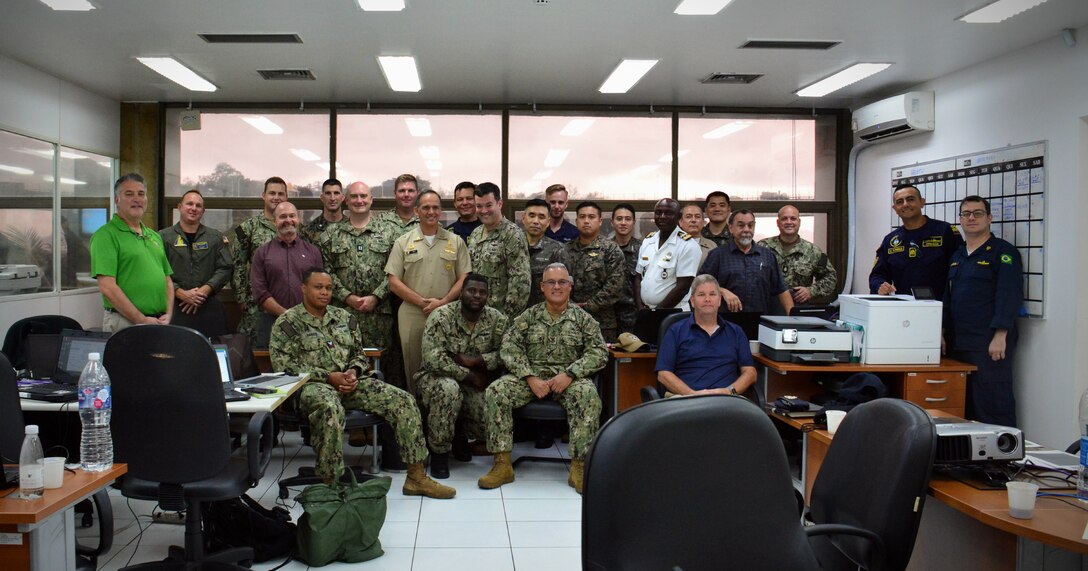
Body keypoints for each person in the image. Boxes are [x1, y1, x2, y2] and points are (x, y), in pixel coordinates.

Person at [270, 268, 455, 499]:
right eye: (318, 287)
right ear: (303, 288)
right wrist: (329, 377)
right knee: (329, 407)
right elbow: (285, 367)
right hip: (312, 387)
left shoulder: (345, 318)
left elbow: (359, 354)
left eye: (328, 288)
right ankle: (331, 484)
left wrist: (354, 371)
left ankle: (416, 477)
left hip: (350, 383)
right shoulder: (287, 323)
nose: (325, 292)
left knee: (403, 400)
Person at [477, 263, 606, 494]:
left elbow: (598, 352)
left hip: (568, 380)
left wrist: (570, 374)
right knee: (496, 391)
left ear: (570, 286)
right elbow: (509, 347)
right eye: (551, 282)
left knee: (588, 394)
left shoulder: (583, 319)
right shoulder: (529, 316)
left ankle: (579, 467)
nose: (557, 287)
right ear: (542, 287)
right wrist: (528, 377)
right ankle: (502, 464)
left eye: (562, 282)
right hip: (532, 377)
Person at [416, 273, 509, 478]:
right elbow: (433, 359)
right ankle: (439, 453)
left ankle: (460, 435)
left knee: (489, 407)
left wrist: (478, 361)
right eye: (471, 291)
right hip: (436, 379)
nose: (477, 296)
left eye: (482, 292)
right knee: (449, 390)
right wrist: (468, 374)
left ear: (488, 297)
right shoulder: (441, 316)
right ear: (461, 293)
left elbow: (508, 353)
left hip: (475, 382)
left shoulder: (497, 320)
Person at [943, 196, 1023, 427]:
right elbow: (948, 296)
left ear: (989, 218)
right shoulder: (958, 256)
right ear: (959, 220)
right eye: (966, 214)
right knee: (963, 406)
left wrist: (1001, 335)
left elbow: (1009, 294)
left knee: (992, 404)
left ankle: (1001, 459)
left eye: (977, 213)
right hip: (958, 342)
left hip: (988, 344)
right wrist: (941, 330)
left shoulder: (1003, 252)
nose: (971, 218)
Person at [386, 190, 471, 392]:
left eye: (435, 207)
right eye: (425, 207)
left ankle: (444, 414)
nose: (431, 212)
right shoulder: (403, 242)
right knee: (413, 366)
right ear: (417, 211)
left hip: (447, 315)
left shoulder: (456, 241)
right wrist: (422, 302)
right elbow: (393, 281)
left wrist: (441, 303)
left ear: (441, 211)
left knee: (447, 365)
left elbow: (464, 277)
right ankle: (417, 415)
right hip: (412, 314)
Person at [90, 173, 173, 332]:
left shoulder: (153, 236)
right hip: (125, 322)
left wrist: (168, 314)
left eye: (141, 194)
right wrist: (141, 320)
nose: (137, 199)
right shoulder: (106, 236)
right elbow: (108, 287)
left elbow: (167, 279)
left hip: (159, 321)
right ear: (117, 201)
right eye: (129, 194)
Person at [320, 182, 396, 351]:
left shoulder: (389, 232)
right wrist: (348, 297)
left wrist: (376, 297)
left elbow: (395, 272)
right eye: (354, 196)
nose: (359, 200)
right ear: (346, 200)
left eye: (363, 196)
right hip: (343, 315)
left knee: (380, 369)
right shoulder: (331, 235)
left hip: (379, 317)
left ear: (371, 199)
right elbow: (326, 271)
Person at [656, 274, 757, 396]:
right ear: (692, 301)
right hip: (685, 400)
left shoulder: (736, 332)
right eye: (701, 295)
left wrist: (729, 391)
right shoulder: (675, 331)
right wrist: (692, 394)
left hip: (727, 401)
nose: (707, 299)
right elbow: (663, 374)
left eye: (712, 294)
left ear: (719, 300)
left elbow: (750, 372)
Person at [870, 184, 963, 299]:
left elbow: (962, 271)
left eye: (910, 199)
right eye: (900, 202)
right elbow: (877, 275)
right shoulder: (890, 240)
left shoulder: (945, 231)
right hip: (903, 309)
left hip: (940, 309)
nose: (905, 204)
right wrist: (879, 285)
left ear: (922, 202)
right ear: (895, 209)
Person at [158, 189, 232, 334]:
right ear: (180, 207)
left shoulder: (215, 237)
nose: (193, 208)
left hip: (207, 307)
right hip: (174, 308)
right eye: (189, 204)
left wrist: (204, 291)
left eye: (198, 206)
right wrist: (180, 292)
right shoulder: (163, 237)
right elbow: (157, 271)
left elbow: (226, 268)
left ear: (203, 211)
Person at [250, 202, 322, 347]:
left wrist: (302, 316)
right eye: (283, 216)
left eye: (292, 216)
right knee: (270, 368)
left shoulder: (313, 252)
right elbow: (260, 292)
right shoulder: (262, 253)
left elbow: (320, 288)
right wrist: (286, 314)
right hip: (271, 322)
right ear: (274, 221)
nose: (288, 220)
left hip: (307, 323)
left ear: (298, 219)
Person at [699, 209, 793, 315]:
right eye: (741, 225)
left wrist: (793, 318)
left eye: (750, 225)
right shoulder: (717, 255)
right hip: (726, 322)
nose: (746, 230)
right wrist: (722, 291)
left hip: (760, 321)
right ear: (731, 228)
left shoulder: (767, 255)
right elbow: (701, 283)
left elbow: (781, 289)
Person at [232, 176, 287, 342]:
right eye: (272, 193)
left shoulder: (293, 227)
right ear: (264, 195)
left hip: (287, 304)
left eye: (280, 194)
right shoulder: (249, 228)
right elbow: (238, 265)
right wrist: (241, 299)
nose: (276, 197)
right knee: (254, 353)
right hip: (255, 305)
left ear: (286, 197)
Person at [466, 182, 530, 317]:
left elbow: (520, 283)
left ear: (499, 204)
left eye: (489, 205)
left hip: (500, 317)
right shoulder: (475, 234)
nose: (483, 211)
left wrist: (507, 319)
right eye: (479, 206)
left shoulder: (513, 235)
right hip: (475, 315)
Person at [564, 201, 626, 341]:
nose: (586, 221)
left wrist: (588, 307)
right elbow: (558, 283)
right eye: (582, 217)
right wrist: (571, 307)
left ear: (599, 221)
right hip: (569, 320)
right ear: (576, 220)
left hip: (602, 323)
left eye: (591, 217)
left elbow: (614, 287)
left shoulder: (611, 250)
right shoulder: (565, 250)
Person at [759, 205, 838, 305]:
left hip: (797, 308)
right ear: (778, 223)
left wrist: (811, 291)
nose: (789, 222)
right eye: (784, 219)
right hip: (766, 306)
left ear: (799, 222)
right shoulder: (763, 247)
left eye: (793, 218)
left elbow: (830, 278)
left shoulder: (812, 251)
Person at [635, 199, 700, 310]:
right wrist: (640, 308)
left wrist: (657, 312)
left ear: (679, 217)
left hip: (673, 312)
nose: (662, 216)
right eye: (658, 212)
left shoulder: (688, 245)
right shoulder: (648, 241)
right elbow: (638, 277)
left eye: (668, 213)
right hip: (646, 311)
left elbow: (682, 288)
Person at [522, 198, 568, 308]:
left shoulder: (558, 250)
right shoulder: (512, 246)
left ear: (548, 222)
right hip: (514, 313)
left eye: (541, 217)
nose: (535, 221)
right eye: (531, 216)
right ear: (523, 218)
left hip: (544, 316)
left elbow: (565, 287)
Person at [609, 203, 641, 335]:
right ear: (612, 222)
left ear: (633, 222)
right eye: (619, 219)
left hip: (635, 314)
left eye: (627, 219)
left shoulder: (644, 248)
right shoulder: (604, 249)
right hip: (609, 314)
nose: (623, 223)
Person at [376, 173, 420, 238]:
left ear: (417, 193)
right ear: (395, 193)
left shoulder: (426, 221)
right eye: (402, 191)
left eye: (410, 191)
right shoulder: (380, 221)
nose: (406, 195)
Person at [301, 178, 345, 243]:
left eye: (336, 193)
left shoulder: (352, 227)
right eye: (328, 193)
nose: (332, 198)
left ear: (342, 197)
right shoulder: (309, 231)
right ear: (322, 197)